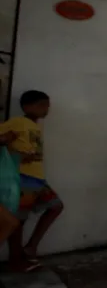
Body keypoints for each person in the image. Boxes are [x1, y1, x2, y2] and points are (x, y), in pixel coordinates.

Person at [0, 90, 63, 271]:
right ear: (27, 106)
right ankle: (16, 260)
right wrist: (15, 154)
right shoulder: (17, 122)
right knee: (17, 222)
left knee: (56, 206)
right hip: (21, 178)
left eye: (47, 106)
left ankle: (30, 248)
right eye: (42, 105)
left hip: (37, 180)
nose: (46, 110)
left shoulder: (33, 126)